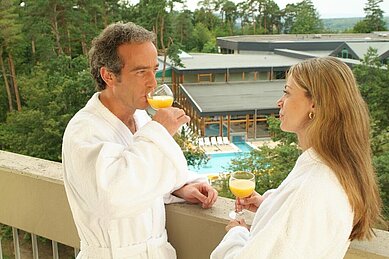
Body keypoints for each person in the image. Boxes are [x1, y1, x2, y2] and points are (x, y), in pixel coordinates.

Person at [62, 22, 218, 259]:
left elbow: (143, 177)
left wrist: (179, 188)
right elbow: (114, 196)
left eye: (154, 70)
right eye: (140, 71)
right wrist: (160, 132)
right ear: (108, 76)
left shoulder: (141, 118)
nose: (153, 83)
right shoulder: (83, 132)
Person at [211, 57, 382, 259]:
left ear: (315, 105)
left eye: (287, 92)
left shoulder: (309, 189)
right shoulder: (337, 172)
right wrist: (269, 207)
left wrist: (236, 233)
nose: (279, 101)